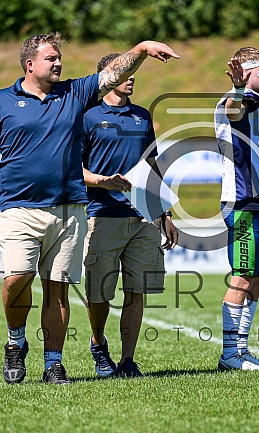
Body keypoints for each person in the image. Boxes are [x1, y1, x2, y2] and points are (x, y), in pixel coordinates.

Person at [0, 32, 178, 385]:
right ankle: (15, 341)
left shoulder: (74, 94)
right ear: (30, 64)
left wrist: (141, 50)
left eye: (60, 57)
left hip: (69, 210)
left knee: (57, 288)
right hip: (19, 207)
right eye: (51, 58)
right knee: (17, 279)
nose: (59, 62)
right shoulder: (0, 101)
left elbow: (113, 74)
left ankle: (53, 364)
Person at [81, 53, 179, 378]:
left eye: (134, 71)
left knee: (137, 290)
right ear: (108, 77)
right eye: (126, 71)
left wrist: (165, 214)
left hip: (144, 217)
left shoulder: (142, 116)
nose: (132, 76)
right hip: (102, 216)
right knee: (98, 294)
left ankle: (127, 361)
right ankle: (98, 342)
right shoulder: (87, 116)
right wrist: (102, 181)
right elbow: (72, 168)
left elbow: (153, 167)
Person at [214, 47, 259, 371]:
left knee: (258, 277)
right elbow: (232, 111)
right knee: (241, 277)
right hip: (241, 201)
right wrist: (238, 88)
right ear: (245, 71)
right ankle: (229, 355)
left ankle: (241, 349)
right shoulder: (238, 98)